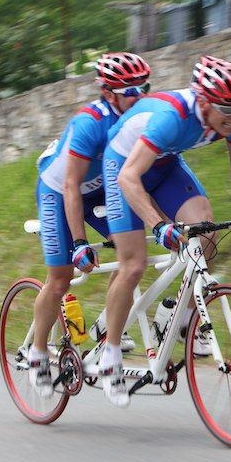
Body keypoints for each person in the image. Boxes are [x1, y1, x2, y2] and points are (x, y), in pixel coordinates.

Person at [97, 55, 231, 407]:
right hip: (124, 167)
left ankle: (173, 314)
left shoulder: (230, 117)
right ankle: (111, 353)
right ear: (205, 102)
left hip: (164, 163)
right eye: (227, 110)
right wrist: (159, 225)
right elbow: (128, 178)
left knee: (206, 234)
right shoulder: (172, 118)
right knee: (133, 265)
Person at [27, 52, 152, 397]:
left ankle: (107, 325)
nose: (140, 95)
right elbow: (70, 186)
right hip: (60, 192)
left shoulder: (140, 115)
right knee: (61, 278)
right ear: (110, 93)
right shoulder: (91, 123)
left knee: (131, 258)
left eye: (145, 87)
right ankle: (37, 351)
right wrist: (80, 241)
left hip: (99, 191)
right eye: (132, 90)